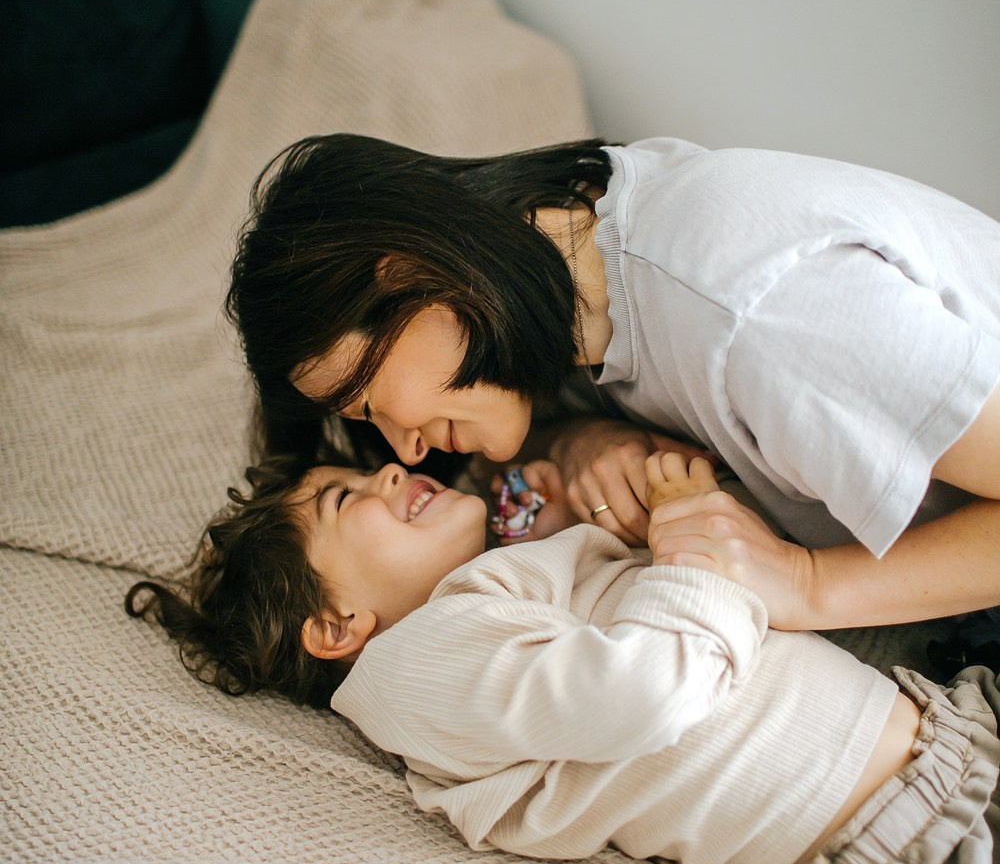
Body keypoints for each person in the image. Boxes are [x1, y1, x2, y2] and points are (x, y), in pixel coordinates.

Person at [127, 450, 1000, 864]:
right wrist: (691, 543)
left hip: (951, 746)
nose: (387, 469)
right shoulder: (414, 667)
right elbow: (649, 689)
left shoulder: (482, 597)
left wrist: (573, 523)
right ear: (335, 626)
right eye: (343, 498)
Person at [225, 133, 1000, 635]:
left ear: (407, 279)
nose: (403, 449)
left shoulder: (750, 306)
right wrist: (582, 439)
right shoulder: (566, 272)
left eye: (367, 404)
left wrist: (808, 584)